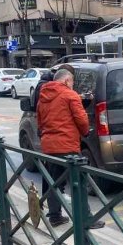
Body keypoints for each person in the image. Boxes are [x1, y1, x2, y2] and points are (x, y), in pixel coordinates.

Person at [36, 69, 103, 229]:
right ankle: (85, 218)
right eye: (72, 82)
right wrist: (85, 132)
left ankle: (55, 216)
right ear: (66, 81)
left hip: (49, 146)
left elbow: (40, 122)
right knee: (78, 182)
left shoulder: (43, 97)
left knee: (54, 182)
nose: (72, 85)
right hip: (67, 145)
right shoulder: (70, 95)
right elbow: (82, 119)